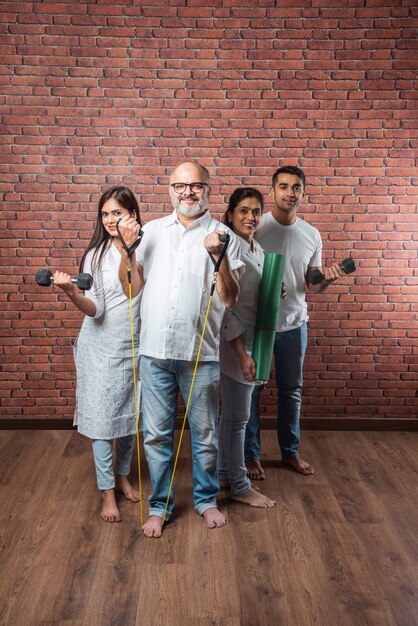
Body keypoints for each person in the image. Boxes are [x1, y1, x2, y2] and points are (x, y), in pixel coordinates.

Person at [118, 160, 243, 538]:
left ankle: (206, 500)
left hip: (199, 354)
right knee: (156, 435)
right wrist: (127, 249)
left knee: (204, 434)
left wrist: (217, 258)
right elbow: (131, 289)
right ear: (169, 189)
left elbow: (231, 298)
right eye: (180, 186)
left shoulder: (223, 234)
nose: (188, 192)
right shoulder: (150, 232)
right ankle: (160, 505)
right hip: (154, 352)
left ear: (208, 189)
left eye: (196, 186)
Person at [246, 166, 346, 478]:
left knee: (291, 391)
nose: (290, 193)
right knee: (252, 391)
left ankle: (290, 452)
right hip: (257, 324)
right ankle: (251, 456)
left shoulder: (311, 234)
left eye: (297, 188)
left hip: (294, 324)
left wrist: (327, 280)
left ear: (303, 192)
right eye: (284, 187)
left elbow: (310, 284)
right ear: (273, 190)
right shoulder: (255, 227)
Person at [52, 186, 143, 522]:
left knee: (131, 419)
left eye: (116, 213)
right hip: (101, 348)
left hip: (136, 346)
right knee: (105, 423)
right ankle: (107, 492)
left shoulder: (147, 247)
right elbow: (95, 310)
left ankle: (122, 477)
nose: (109, 220)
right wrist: (73, 293)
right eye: (104, 214)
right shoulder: (95, 255)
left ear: (132, 213)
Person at [218, 187, 276, 508]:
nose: (250, 217)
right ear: (230, 214)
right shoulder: (228, 249)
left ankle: (223, 474)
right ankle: (240, 486)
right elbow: (225, 307)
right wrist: (242, 355)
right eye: (243, 210)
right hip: (237, 346)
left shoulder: (258, 249)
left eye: (255, 211)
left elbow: (254, 294)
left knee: (231, 418)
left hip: (256, 342)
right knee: (238, 419)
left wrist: (274, 290)